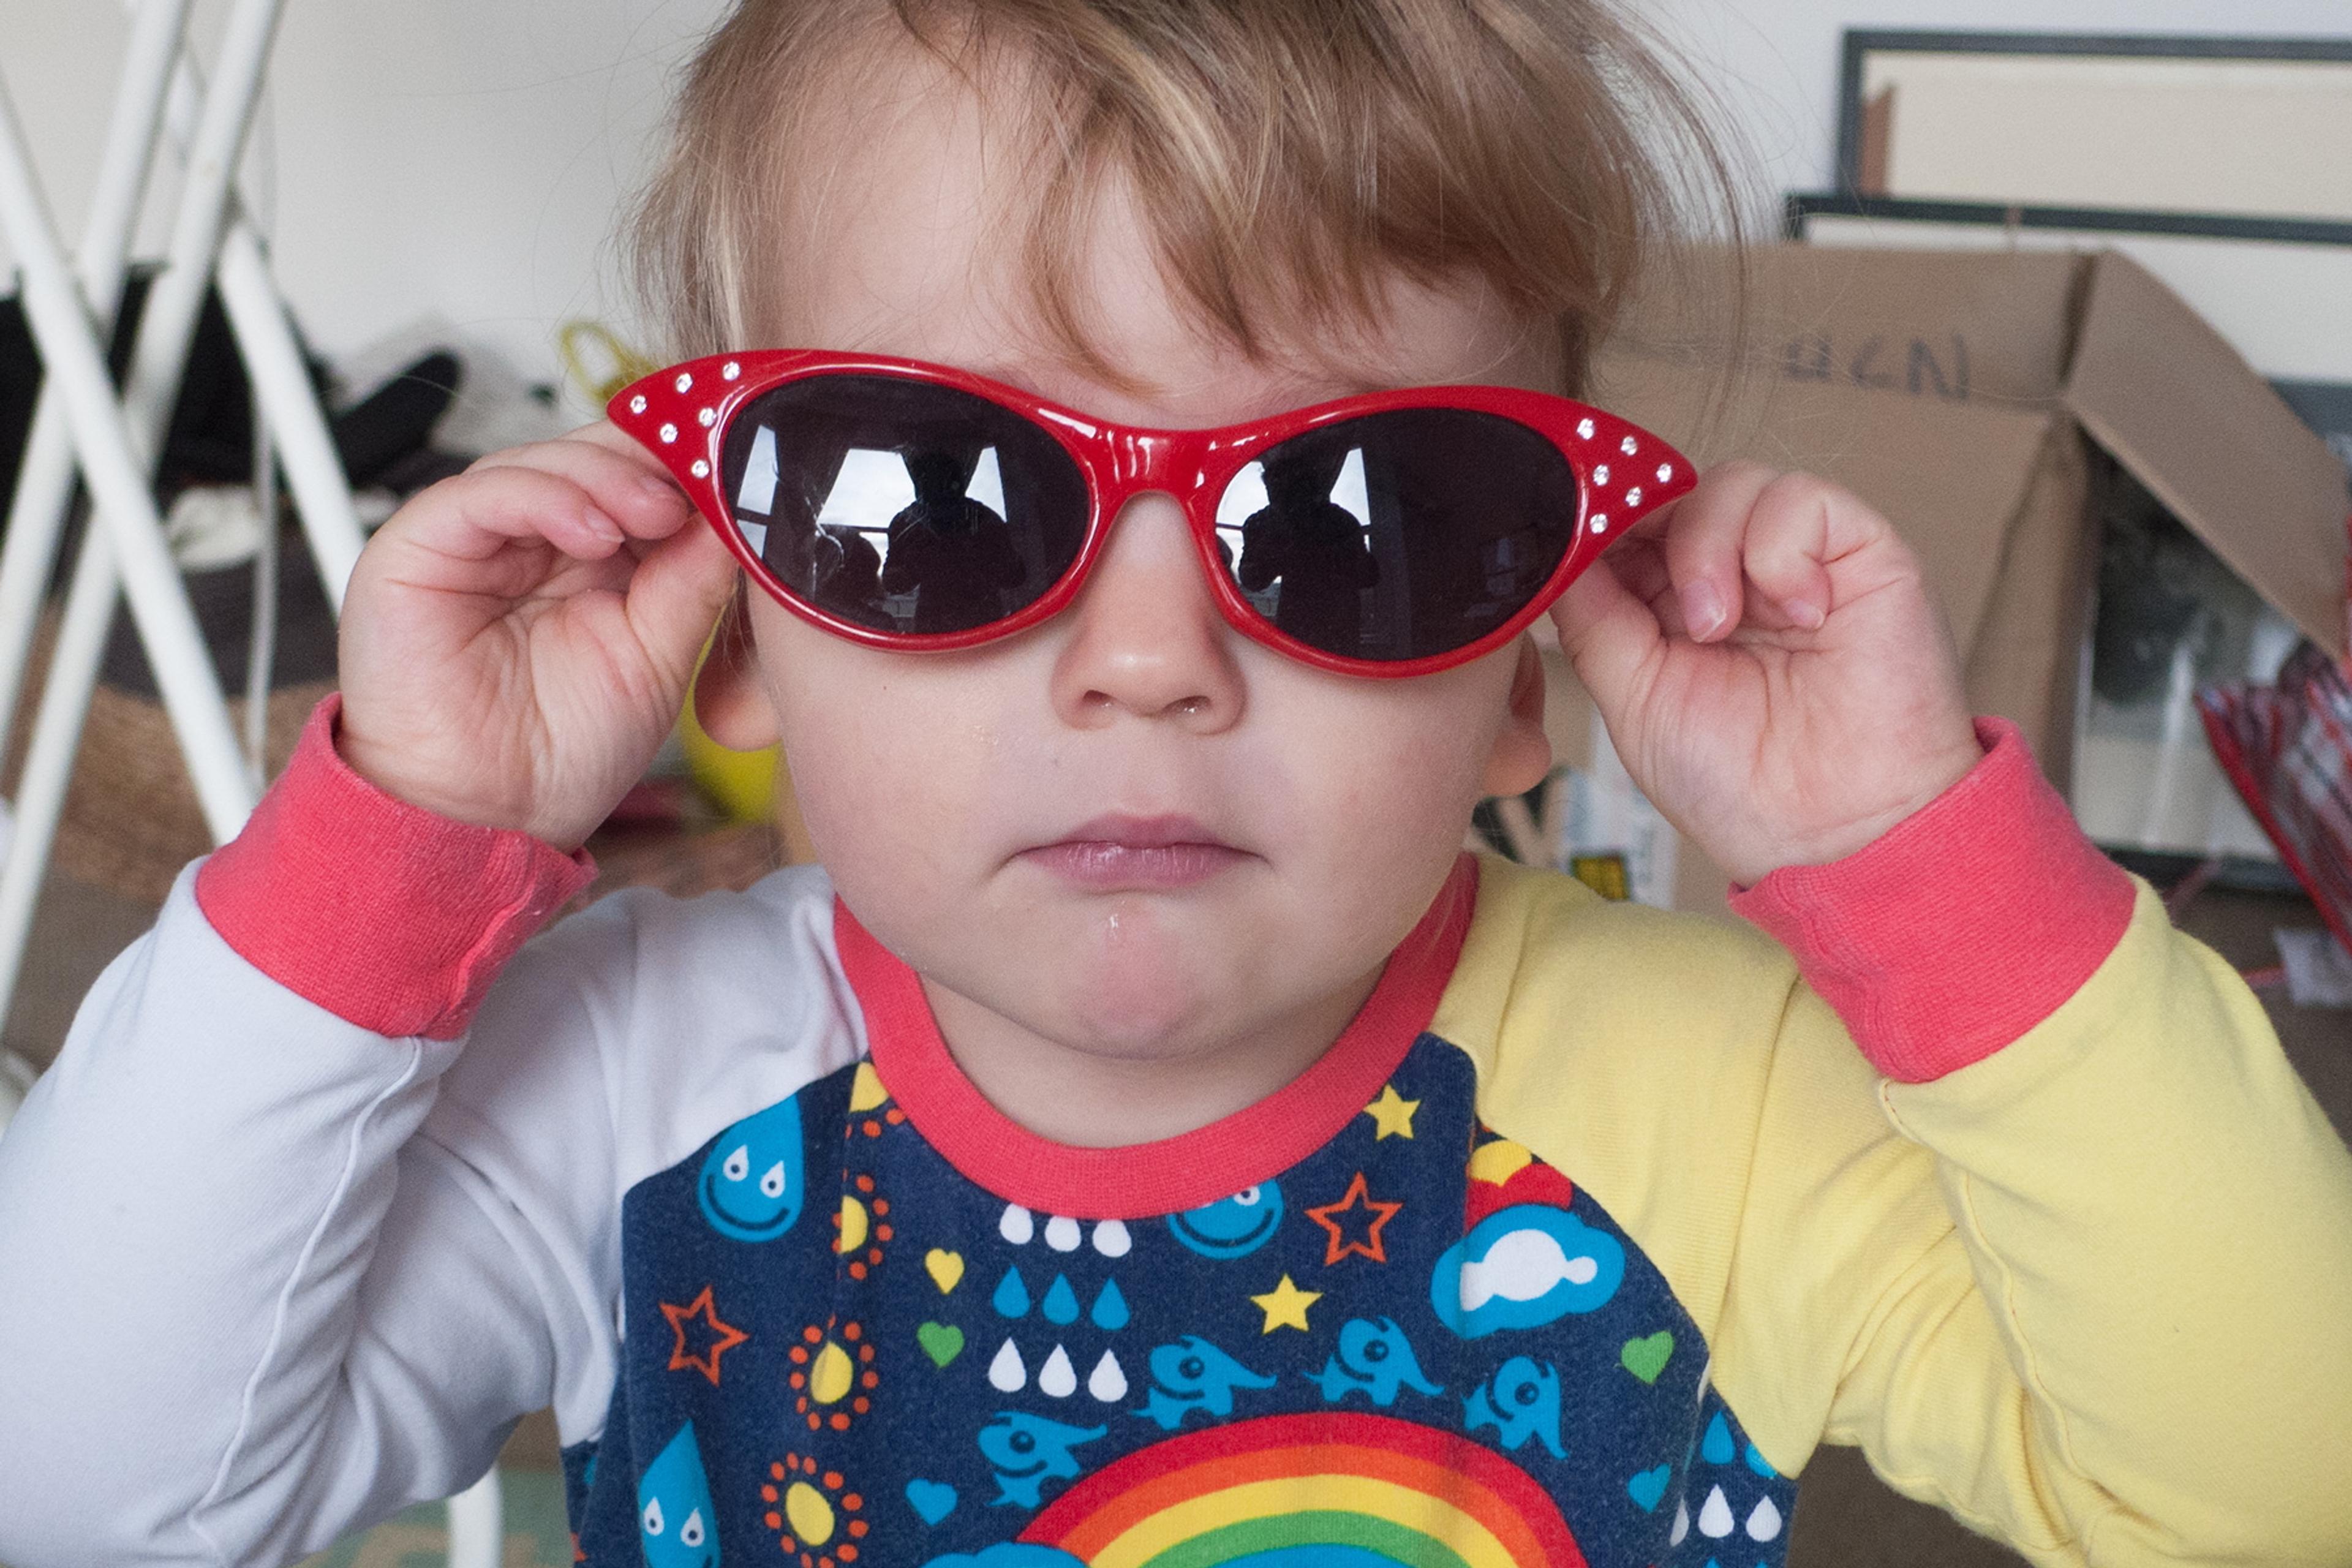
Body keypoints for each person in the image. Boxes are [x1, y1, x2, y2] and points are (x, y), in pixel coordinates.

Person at [2, 2, 2350, 1564]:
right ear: (747, 620)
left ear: (1529, 664)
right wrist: (388, 856)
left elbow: (2276, 1487)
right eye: (928, 495)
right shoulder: (636, 1092)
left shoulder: (1706, 1098)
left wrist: (1924, 865)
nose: (1149, 664)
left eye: (1371, 515)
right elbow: (88, 1488)